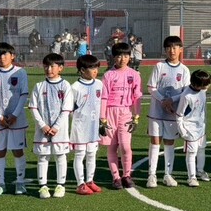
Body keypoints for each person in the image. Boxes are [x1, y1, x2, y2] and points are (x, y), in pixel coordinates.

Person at [0, 42, 30, 196]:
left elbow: (24, 95)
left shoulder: (20, 72)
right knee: (0, 151)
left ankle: (20, 182)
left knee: (18, 151)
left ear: (12, 56)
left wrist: (15, 115)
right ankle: (0, 183)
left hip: (17, 120)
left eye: (4, 54)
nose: (1, 57)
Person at [146, 36, 190, 188]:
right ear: (165, 50)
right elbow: (151, 87)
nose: (172, 51)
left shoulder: (184, 70)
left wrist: (171, 100)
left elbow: (185, 91)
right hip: (156, 112)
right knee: (155, 141)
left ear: (180, 49)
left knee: (169, 142)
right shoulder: (159, 66)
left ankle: (167, 174)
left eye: (175, 47)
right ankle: (152, 175)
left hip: (172, 112)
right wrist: (163, 100)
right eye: (169, 48)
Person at [29, 53, 75, 199]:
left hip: (59, 130)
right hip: (42, 130)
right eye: (46, 66)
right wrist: (42, 125)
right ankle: (43, 187)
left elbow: (66, 109)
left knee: (60, 156)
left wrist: (56, 127)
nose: (49, 69)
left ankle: (60, 185)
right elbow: (33, 107)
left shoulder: (65, 85)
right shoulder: (39, 86)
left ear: (60, 68)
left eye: (52, 66)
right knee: (43, 156)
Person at [100, 42, 143, 189]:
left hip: (126, 112)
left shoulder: (134, 74)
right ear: (113, 57)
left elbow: (137, 96)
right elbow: (104, 97)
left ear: (130, 57)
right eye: (119, 56)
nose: (122, 59)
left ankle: (127, 175)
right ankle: (116, 177)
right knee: (112, 146)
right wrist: (102, 118)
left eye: (125, 55)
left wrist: (136, 116)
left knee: (125, 146)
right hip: (110, 112)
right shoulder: (108, 75)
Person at [70, 54, 104, 195]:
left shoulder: (99, 84)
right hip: (80, 128)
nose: (95, 70)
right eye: (92, 68)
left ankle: (90, 180)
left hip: (94, 127)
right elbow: (70, 109)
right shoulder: (75, 87)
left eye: (96, 67)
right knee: (80, 154)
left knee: (92, 154)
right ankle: (80, 184)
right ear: (82, 70)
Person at [176, 70, 211, 185]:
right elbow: (179, 115)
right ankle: (191, 177)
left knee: (201, 149)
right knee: (191, 153)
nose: (208, 85)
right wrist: (182, 131)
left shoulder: (202, 91)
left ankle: (200, 171)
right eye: (206, 83)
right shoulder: (186, 96)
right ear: (198, 84)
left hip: (201, 128)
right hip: (190, 129)